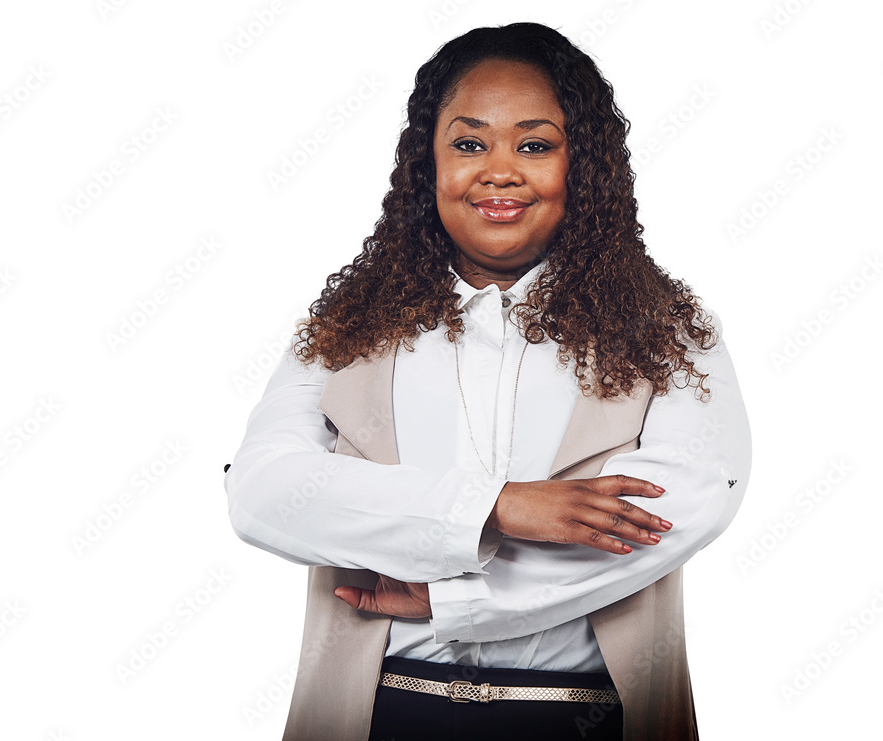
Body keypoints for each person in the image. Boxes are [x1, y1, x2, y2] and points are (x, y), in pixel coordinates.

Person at [225, 21, 750, 741]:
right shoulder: (349, 324)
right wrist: (496, 506)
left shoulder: (670, 328)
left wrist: (452, 600)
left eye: (535, 145)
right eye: (469, 143)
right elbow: (264, 494)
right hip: (377, 717)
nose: (498, 171)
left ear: (583, 166)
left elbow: (672, 514)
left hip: (587, 719)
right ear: (427, 165)